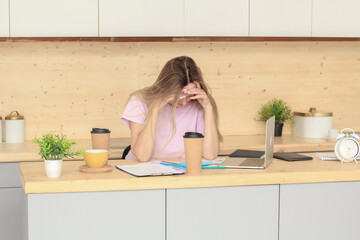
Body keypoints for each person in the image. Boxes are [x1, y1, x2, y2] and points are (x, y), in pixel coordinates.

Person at [121, 56, 222, 162]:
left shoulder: (200, 102)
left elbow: (210, 155)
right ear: (165, 87)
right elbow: (142, 156)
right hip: (143, 172)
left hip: (181, 172)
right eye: (176, 94)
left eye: (187, 95)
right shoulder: (139, 101)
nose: (183, 101)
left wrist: (208, 108)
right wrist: (155, 108)